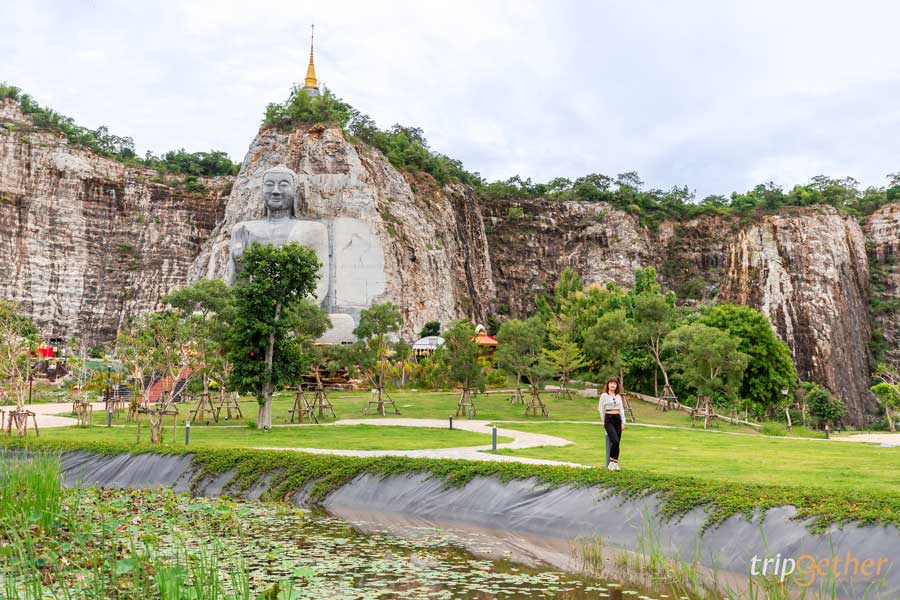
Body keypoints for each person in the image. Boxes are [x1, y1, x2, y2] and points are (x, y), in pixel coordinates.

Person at [598, 378, 626, 470]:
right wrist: (603, 421)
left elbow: (621, 409)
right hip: (609, 419)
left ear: (617, 386)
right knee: (615, 441)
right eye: (611, 383)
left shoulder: (618, 396)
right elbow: (601, 409)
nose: (613, 385)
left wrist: (623, 421)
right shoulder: (604, 396)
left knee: (618, 443)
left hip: (618, 419)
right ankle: (610, 463)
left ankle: (615, 463)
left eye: (614, 383)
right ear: (608, 385)